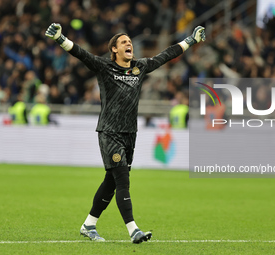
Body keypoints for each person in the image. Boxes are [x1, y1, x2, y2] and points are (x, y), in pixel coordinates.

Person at [45, 23, 205, 243]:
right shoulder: (104, 67)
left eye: (129, 41)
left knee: (111, 181)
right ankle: (133, 230)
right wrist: (60, 38)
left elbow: (166, 55)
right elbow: (81, 54)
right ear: (114, 50)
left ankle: (88, 225)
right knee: (122, 180)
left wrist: (191, 40)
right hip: (109, 132)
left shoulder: (140, 67)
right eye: (123, 42)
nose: (129, 43)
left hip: (130, 133)